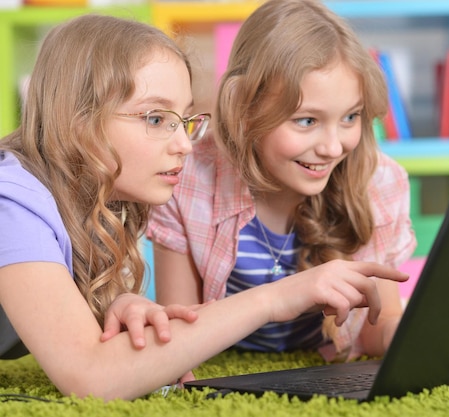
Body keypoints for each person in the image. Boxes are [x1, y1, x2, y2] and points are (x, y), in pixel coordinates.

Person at [0, 13, 408, 401]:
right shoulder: (12, 202)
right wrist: (274, 298)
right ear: (78, 121)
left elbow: (75, 335)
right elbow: (90, 375)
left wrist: (118, 307)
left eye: (184, 119)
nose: (183, 144)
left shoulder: (95, 205)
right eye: (156, 119)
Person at [148, 0, 417, 380]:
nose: (332, 146)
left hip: (323, 359)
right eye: (307, 120)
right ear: (245, 108)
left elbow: (378, 323)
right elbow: (181, 329)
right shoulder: (189, 178)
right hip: (224, 353)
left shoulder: (378, 183)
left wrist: (402, 336)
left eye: (350, 117)